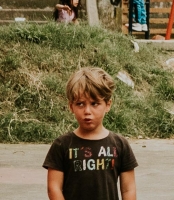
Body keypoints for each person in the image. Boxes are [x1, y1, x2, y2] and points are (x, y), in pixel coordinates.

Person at [44, 67, 138, 200]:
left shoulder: (120, 144)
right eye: (80, 104)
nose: (87, 111)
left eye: (95, 104)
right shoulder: (62, 145)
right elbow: (54, 188)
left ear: (108, 105)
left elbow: (128, 189)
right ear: (71, 106)